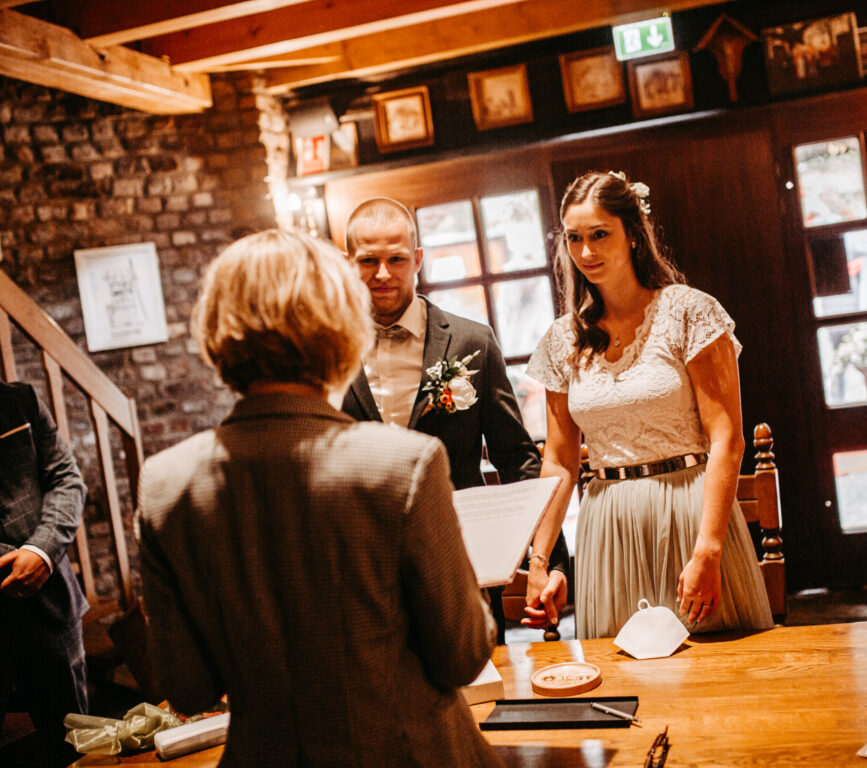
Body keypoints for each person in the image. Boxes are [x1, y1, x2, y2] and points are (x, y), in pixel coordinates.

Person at [135, 230, 502, 767]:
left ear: (216, 329)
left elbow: (187, 687)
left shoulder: (165, 484)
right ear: (340, 324)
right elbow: (463, 654)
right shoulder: (402, 465)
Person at [526, 171, 774, 640]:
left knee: (720, 679)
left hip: (689, 513)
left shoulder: (688, 312)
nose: (585, 252)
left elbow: (727, 438)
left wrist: (708, 550)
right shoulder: (562, 340)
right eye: (574, 238)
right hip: (607, 527)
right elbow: (558, 463)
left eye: (600, 235)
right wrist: (540, 560)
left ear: (633, 235)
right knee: (624, 685)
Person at [341, 197, 568, 637]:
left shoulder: (471, 342)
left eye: (397, 259)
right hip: (363, 575)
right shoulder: (325, 351)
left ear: (418, 260)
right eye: (368, 260)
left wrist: (548, 561)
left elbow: (518, 460)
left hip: (464, 568)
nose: (383, 273)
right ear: (348, 262)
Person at [1, 381, 89, 768]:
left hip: (49, 604)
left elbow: (66, 479)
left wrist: (41, 550)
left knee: (78, 749)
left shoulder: (20, 400)